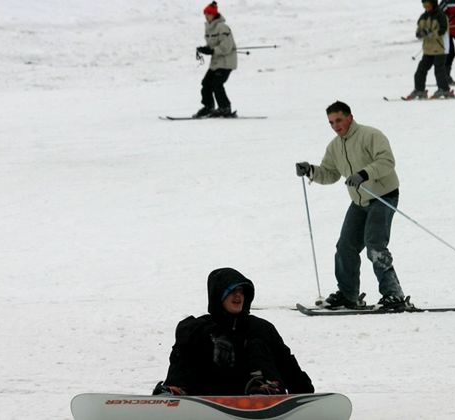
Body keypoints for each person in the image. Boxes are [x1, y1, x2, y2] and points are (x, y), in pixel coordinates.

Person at [295, 101, 413, 311]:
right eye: (331, 122)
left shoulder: (370, 135)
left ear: (350, 117)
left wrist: (364, 174)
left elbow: (387, 161)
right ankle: (349, 295)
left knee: (374, 244)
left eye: (339, 120)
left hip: (383, 196)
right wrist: (311, 170)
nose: (335, 126)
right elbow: (330, 173)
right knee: (345, 247)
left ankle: (394, 295)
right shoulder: (335, 146)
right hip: (359, 201)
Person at [152, 267, 314, 396]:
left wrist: (305, 393)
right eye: (232, 291)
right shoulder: (199, 327)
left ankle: (266, 387)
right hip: (208, 395)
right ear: (218, 296)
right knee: (191, 338)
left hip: (252, 392)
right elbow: (185, 335)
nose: (238, 296)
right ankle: (177, 391)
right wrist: (213, 337)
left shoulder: (262, 328)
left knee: (257, 340)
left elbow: (286, 362)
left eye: (242, 291)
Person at [193, 2, 237, 118]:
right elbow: (213, 45)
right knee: (206, 83)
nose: (206, 16)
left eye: (208, 14)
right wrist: (205, 49)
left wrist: (212, 51)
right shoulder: (209, 27)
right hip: (216, 62)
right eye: (205, 14)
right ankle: (208, 107)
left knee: (217, 84)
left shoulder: (222, 27)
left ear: (214, 15)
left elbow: (226, 47)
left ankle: (225, 107)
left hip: (226, 62)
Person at [407, 0, 452, 99]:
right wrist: (420, 33)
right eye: (424, 6)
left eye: (428, 5)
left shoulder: (441, 15)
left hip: (440, 47)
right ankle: (419, 90)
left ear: (433, 4)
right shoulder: (423, 17)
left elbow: (443, 29)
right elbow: (418, 31)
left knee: (439, 69)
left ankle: (444, 89)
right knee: (421, 69)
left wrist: (432, 33)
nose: (426, 8)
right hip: (428, 48)